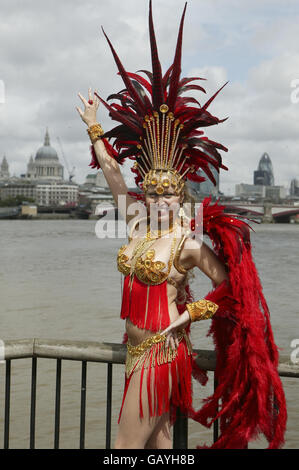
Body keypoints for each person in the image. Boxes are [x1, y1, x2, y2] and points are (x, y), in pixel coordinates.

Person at [76, 1, 286, 449]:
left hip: (160, 353)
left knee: (124, 451)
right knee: (160, 447)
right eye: (152, 191)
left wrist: (189, 315)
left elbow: (230, 288)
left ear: (181, 195)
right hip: (135, 353)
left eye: (168, 192)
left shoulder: (187, 243)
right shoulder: (135, 224)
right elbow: (114, 176)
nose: (159, 199)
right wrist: (95, 129)